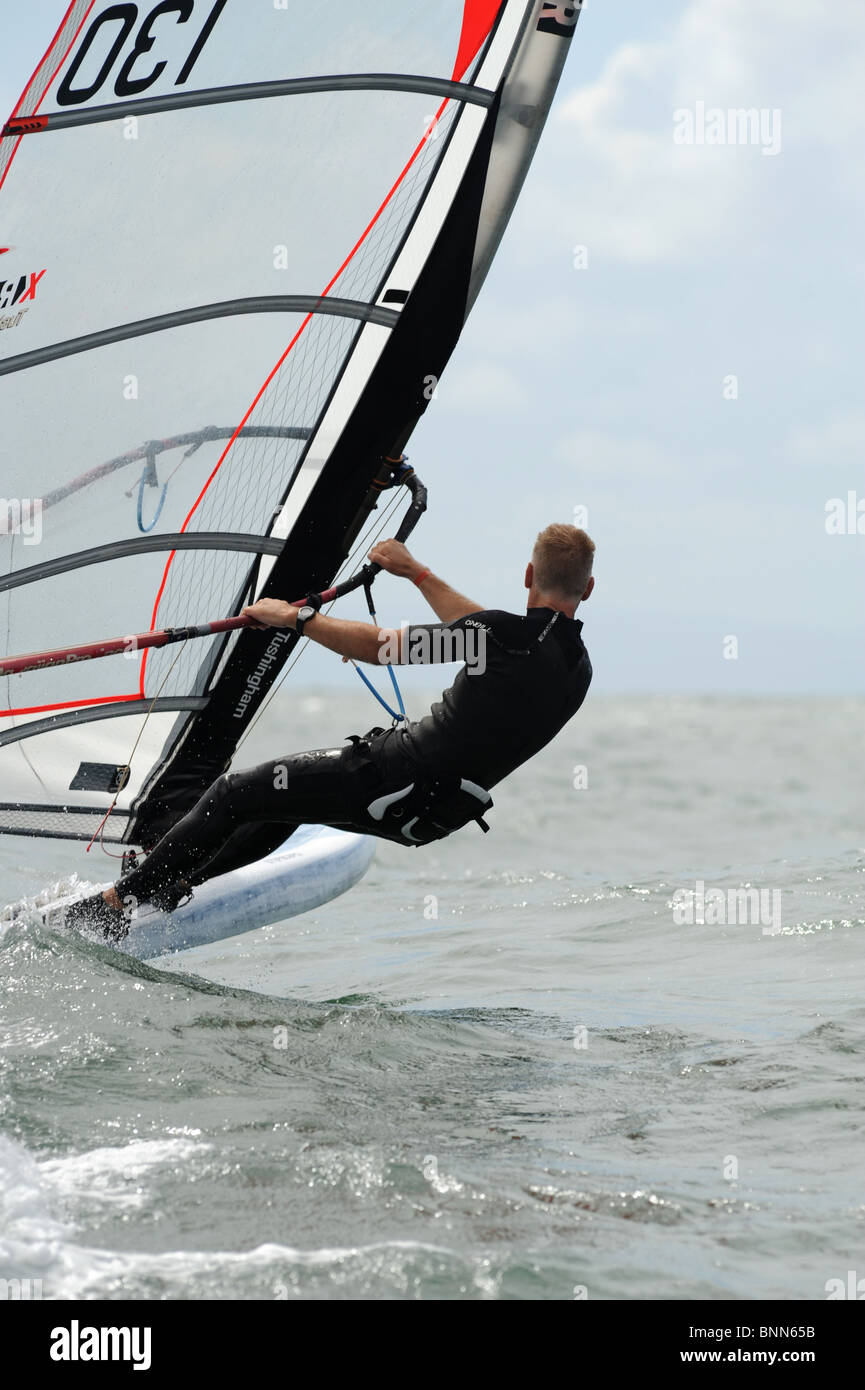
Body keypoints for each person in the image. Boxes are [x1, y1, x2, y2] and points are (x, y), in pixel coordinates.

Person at [67, 523, 595, 940]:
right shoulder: (576, 669)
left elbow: (384, 647)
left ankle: (114, 905)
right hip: (432, 816)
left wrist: (295, 619)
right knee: (281, 805)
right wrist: (417, 573)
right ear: (588, 588)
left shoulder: (500, 636)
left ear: (528, 574)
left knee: (234, 793)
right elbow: (485, 630)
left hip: (388, 774)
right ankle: (176, 882)